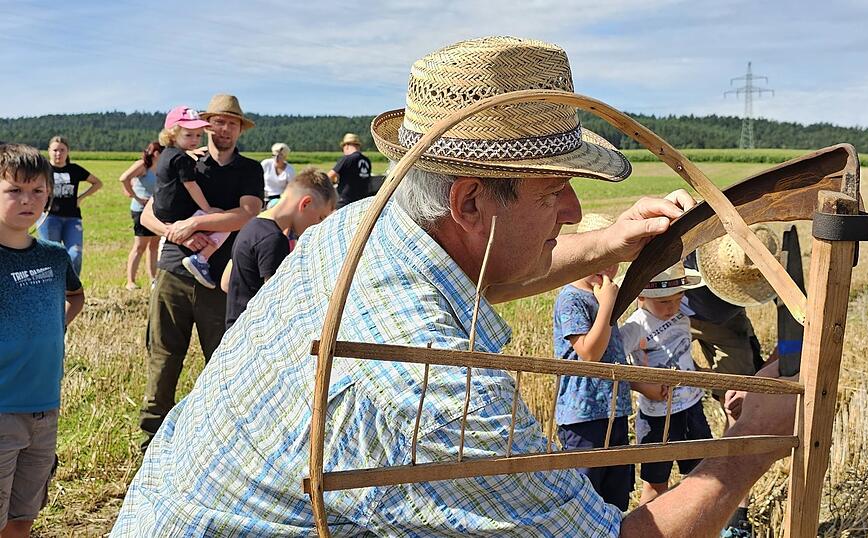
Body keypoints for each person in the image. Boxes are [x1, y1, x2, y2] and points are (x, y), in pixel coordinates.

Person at [112, 37, 796, 537]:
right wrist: (753, 445)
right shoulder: (437, 389)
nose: (571, 212)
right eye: (555, 192)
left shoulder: (362, 225)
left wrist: (610, 244)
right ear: (469, 202)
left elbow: (477, 274)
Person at [136, 94, 263, 450]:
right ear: (207, 124)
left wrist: (197, 224)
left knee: (220, 360)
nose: (224, 129)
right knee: (163, 357)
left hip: (221, 281)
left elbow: (248, 213)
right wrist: (174, 232)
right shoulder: (183, 161)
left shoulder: (249, 170)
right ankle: (151, 438)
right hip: (174, 272)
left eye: (232, 123)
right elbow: (149, 214)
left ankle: (215, 438)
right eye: (218, 121)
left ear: (240, 129)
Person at [0, 144, 85, 538]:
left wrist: (54, 328)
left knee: (23, 518)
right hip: (2, 410)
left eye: (37, 191)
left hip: (45, 409)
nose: (27, 200)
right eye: (14, 190)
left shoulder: (53, 256)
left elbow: (76, 296)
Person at [685, 224, 780, 536]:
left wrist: (759, 378)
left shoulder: (769, 265)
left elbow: (796, 329)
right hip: (674, 313)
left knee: (737, 411)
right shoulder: (688, 244)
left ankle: (735, 516)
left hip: (728, 325)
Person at [552, 213, 633, 511]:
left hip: (614, 410)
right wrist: (608, 305)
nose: (610, 268)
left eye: (616, 259)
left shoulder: (600, 295)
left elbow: (614, 356)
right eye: (603, 259)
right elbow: (589, 353)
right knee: (586, 497)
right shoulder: (572, 299)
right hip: (583, 415)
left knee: (615, 496)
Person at [619, 263, 712, 506]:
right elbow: (614, 366)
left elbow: (684, 353)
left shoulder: (682, 318)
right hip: (657, 416)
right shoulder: (635, 327)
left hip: (691, 407)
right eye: (663, 302)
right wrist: (642, 386)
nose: (671, 308)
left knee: (700, 474)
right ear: (641, 296)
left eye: (677, 299)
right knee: (655, 483)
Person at [222, 166, 336, 329]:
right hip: (255, 334)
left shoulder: (251, 226)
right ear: (306, 203)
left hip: (234, 328)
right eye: (320, 217)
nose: (319, 225)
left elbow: (226, 283)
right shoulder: (274, 239)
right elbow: (278, 304)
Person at [153, 105, 231, 289]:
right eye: (188, 135)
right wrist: (207, 209)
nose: (195, 139)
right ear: (172, 134)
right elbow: (191, 185)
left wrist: (188, 154)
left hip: (162, 212)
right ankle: (201, 258)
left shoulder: (168, 154)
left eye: (198, 135)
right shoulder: (183, 159)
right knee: (224, 222)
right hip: (178, 213)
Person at [37, 136, 102, 276]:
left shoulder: (75, 169)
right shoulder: (42, 170)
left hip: (72, 218)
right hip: (49, 218)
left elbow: (97, 183)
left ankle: (72, 289)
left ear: (68, 152)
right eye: (55, 150)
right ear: (49, 151)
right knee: (50, 257)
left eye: (62, 150)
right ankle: (53, 290)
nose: (58, 153)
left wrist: (81, 198)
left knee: (75, 254)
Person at [118, 141, 163, 290]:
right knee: (140, 246)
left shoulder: (161, 168)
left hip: (157, 211)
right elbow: (124, 178)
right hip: (141, 210)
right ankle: (130, 281)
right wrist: (135, 196)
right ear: (156, 153)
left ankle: (153, 279)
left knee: (154, 246)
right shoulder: (143, 166)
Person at [328, 132, 371, 207]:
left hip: (346, 202)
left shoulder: (347, 159)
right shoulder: (367, 160)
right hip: (362, 202)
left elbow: (329, 176)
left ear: (346, 146)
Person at [260, 142, 294, 208]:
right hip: (264, 197)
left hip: (280, 199)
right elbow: (257, 180)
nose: (276, 158)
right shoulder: (265, 164)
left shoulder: (290, 170)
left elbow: (291, 188)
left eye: (279, 156)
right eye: (274, 155)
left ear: (285, 156)